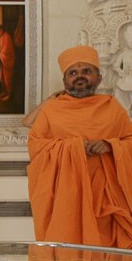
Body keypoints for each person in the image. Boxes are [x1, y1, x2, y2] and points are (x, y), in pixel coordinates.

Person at [28, 46, 132, 248]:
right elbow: (36, 146)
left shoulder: (113, 108)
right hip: (66, 198)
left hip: (107, 199)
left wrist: (110, 145)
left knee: (107, 255)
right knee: (68, 249)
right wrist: (74, 148)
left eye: (87, 71)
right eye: (73, 73)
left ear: (99, 78)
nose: (80, 76)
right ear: (65, 81)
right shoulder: (51, 110)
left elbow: (129, 140)